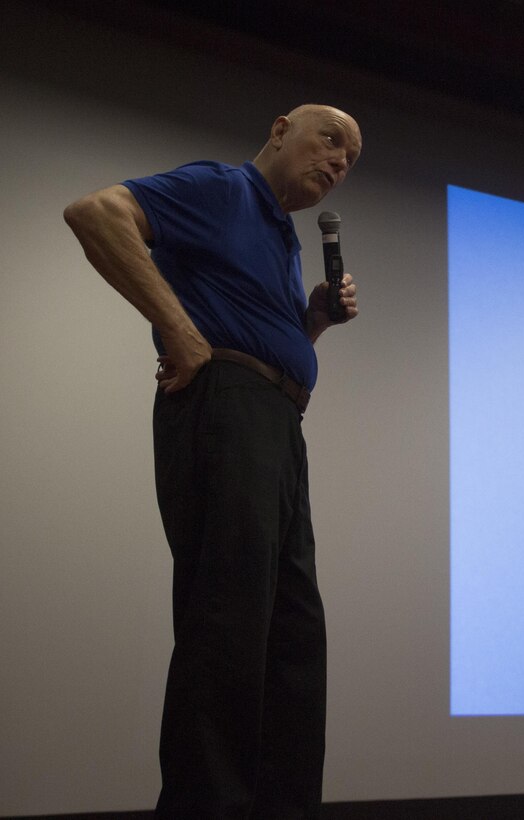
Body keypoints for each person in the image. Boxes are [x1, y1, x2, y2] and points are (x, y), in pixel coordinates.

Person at [64, 104, 362, 819]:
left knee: (291, 635)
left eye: (349, 160)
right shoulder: (225, 187)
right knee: (231, 619)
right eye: (331, 140)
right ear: (282, 126)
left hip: (274, 424)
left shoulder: (280, 238)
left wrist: (311, 320)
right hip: (228, 412)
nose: (338, 162)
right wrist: (177, 330)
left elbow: (264, 343)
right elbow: (96, 213)